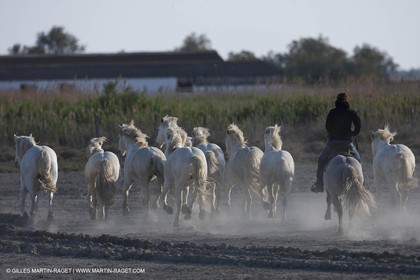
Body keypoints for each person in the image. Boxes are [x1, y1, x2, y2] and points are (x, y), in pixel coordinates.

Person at [311, 92, 361, 193]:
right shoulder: (352, 112)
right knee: (358, 160)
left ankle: (319, 185)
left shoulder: (332, 112)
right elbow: (358, 126)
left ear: (337, 100)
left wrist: (333, 132)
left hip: (333, 143)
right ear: (346, 100)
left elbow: (327, 126)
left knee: (321, 161)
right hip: (348, 143)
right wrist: (353, 133)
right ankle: (362, 184)